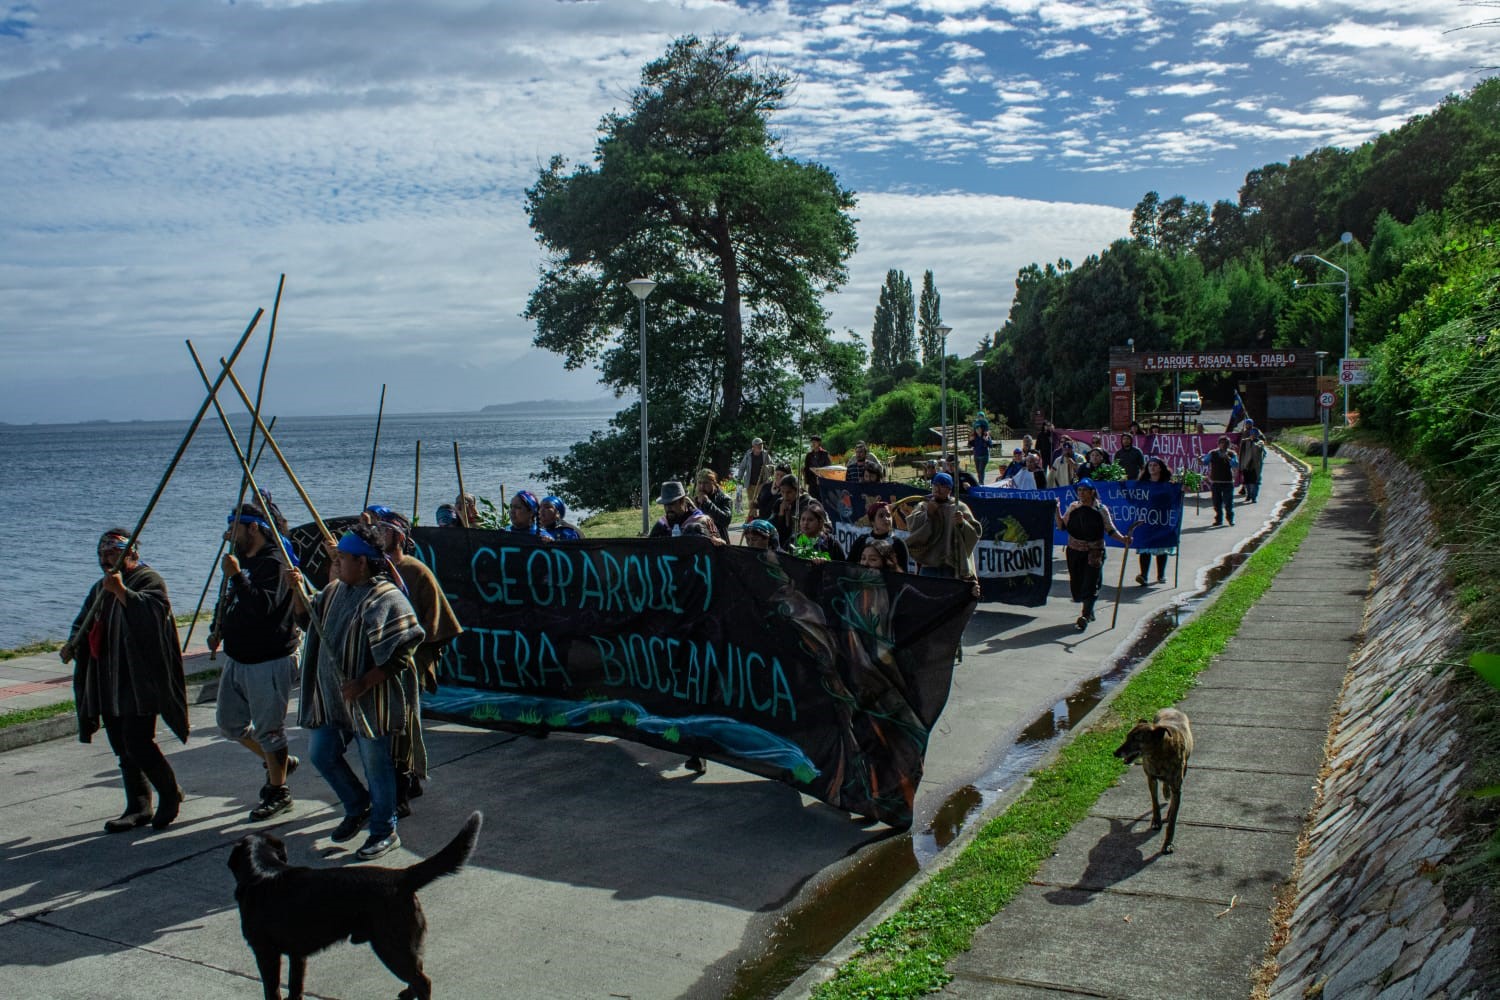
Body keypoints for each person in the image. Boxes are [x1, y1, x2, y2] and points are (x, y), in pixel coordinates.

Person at [291, 524, 425, 861]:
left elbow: (403, 651)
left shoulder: (386, 598)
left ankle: (384, 830)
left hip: (371, 701)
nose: (337, 563)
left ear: (362, 562)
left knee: (376, 766)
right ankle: (356, 804)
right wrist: (295, 590)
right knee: (321, 753)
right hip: (334, 699)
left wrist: (365, 682)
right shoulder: (336, 591)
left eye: (343, 558)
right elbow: (310, 621)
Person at [61, 529, 189, 833]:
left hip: (139, 680)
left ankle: (170, 794)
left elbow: (154, 615)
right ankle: (138, 805)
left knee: (138, 742)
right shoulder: (99, 588)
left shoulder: (149, 579)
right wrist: (73, 642)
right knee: (121, 744)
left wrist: (122, 593)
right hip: (109, 679)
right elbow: (84, 620)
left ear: (131, 553)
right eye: (103, 555)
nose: (107, 560)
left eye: (113, 554)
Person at [368, 508, 462, 818]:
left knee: (400, 729)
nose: (377, 534)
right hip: (378, 664)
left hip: (407, 664)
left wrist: (413, 654)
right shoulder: (374, 571)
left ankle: (401, 792)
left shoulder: (416, 571)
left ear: (398, 536)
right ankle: (407, 781)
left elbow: (436, 625)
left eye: (382, 529)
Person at [211, 500, 301, 821]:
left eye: (235, 528)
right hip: (238, 657)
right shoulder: (239, 561)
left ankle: (279, 791)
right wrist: (216, 628)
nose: (228, 534)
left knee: (270, 729)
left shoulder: (274, 563)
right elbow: (229, 600)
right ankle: (277, 760)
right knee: (230, 723)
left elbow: (262, 608)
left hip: (269, 658)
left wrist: (237, 576)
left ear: (253, 528)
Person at [1056, 480, 1131, 631]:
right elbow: (1062, 526)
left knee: (1091, 583)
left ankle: (1085, 614)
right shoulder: (1073, 507)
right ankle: (1089, 611)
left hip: (1094, 552)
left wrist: (1123, 539)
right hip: (1074, 551)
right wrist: (1056, 511)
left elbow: (1110, 529)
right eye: (1079, 490)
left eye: (1085, 490)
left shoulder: (1101, 509)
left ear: (1092, 492)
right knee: (1077, 583)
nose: (1081, 493)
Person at [904, 472, 982, 594]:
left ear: (949, 489)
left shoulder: (959, 507)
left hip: (951, 566)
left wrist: (962, 524)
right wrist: (928, 514)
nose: (937, 489)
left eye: (942, 486)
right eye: (935, 485)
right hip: (929, 564)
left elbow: (975, 532)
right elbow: (912, 526)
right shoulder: (924, 505)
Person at [1135, 457, 1176, 585]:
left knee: (1161, 547)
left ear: (1160, 468)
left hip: (1161, 520)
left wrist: (1180, 489)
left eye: (1155, 465)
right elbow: (1135, 498)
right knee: (1145, 548)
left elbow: (1174, 499)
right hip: (1146, 520)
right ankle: (1143, 575)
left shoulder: (1168, 484)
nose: (1152, 468)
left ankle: (1161, 575)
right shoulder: (1142, 484)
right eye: (1150, 465)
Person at [650, 481, 723, 541]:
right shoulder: (662, 524)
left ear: (682, 501)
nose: (668, 508)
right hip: (668, 558)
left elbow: (721, 544)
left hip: (695, 558)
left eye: (672, 504)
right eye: (665, 505)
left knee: (692, 528)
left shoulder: (702, 520)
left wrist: (715, 540)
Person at [847, 501, 910, 570]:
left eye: (888, 515)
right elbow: (849, 567)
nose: (886, 519)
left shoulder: (899, 544)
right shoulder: (861, 540)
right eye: (881, 516)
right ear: (872, 521)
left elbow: (904, 575)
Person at [1200, 435, 1240, 527]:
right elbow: (1205, 461)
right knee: (1216, 503)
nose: (1224, 445)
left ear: (1228, 444)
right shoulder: (1213, 453)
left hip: (1227, 482)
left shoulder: (1232, 453)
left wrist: (1228, 458)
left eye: (1226, 443)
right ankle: (1219, 519)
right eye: (1222, 443)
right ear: (1218, 444)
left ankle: (1230, 519)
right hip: (1216, 482)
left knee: (1228, 502)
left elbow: (1235, 464)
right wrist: (1200, 460)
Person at [767, 474, 812, 549]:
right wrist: (781, 514)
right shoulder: (779, 503)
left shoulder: (808, 503)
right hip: (782, 544)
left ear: (797, 490)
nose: (785, 496)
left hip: (803, 543)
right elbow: (771, 526)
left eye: (789, 492)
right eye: (782, 492)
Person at [734, 437, 775, 518]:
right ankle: (753, 517)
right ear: (753, 446)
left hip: (762, 483)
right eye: (758, 445)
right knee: (751, 502)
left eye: (761, 444)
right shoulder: (748, 455)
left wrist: (766, 467)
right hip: (750, 482)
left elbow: (773, 467)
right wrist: (739, 479)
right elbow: (742, 467)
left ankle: (761, 516)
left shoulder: (766, 455)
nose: (761, 446)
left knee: (761, 500)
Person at [694, 469, 734, 539]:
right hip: (700, 540)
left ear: (713, 483)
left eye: (705, 483)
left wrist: (708, 503)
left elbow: (726, 520)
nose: (702, 487)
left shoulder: (724, 498)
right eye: (700, 483)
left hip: (718, 540)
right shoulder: (696, 499)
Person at [1238, 426, 1266, 504]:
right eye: (1252, 434)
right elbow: (1241, 452)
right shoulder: (1245, 442)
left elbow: (1257, 448)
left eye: (1254, 434)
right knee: (1247, 482)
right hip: (1246, 465)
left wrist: (1252, 441)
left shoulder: (1260, 442)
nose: (1253, 435)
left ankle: (1254, 497)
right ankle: (1248, 495)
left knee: (1255, 483)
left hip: (1255, 466)